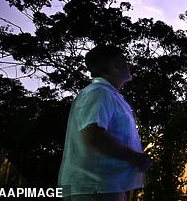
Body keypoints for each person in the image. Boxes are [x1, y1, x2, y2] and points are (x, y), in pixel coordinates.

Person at [59, 45, 152, 200]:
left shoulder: (108, 94)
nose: (128, 65)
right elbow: (94, 135)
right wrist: (134, 157)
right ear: (114, 65)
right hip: (96, 189)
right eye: (124, 61)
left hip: (105, 187)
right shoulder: (99, 92)